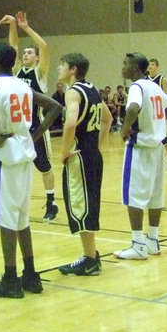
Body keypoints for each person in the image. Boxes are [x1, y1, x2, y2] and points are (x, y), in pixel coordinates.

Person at [0, 43, 62, 298]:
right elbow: (55, 108)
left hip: (6, 159)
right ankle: (31, 275)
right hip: (26, 156)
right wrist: (34, 135)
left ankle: (10, 278)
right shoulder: (24, 86)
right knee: (22, 220)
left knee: (6, 221)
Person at [115, 52, 167, 260]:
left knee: (134, 196)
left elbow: (133, 107)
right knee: (155, 196)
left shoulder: (137, 87)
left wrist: (124, 129)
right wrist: (156, 124)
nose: (122, 67)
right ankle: (153, 240)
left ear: (135, 67)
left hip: (140, 148)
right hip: (157, 148)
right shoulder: (154, 86)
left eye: (125, 64)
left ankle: (138, 244)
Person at [56, 53, 113, 276]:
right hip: (92, 155)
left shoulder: (73, 92)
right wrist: (95, 145)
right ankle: (90, 256)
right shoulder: (92, 89)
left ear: (73, 69)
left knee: (81, 208)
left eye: (62, 65)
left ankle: (90, 260)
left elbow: (70, 123)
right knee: (89, 206)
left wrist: (64, 152)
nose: (58, 68)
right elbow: (107, 120)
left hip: (79, 157)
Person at [0, 11, 59, 221]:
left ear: (35, 58)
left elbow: (43, 46)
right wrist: (13, 25)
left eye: (28, 53)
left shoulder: (39, 73)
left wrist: (26, 28)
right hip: (18, 128)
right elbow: (12, 47)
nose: (25, 55)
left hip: (37, 127)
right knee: (17, 165)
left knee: (44, 166)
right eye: (24, 53)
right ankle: (16, 202)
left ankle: (51, 202)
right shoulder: (16, 71)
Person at [148, 58, 167, 170]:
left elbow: (166, 98)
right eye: (149, 64)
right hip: (149, 113)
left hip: (159, 114)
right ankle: (151, 162)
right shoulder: (145, 80)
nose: (150, 66)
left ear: (157, 67)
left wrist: (165, 114)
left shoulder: (162, 79)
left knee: (165, 137)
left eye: (153, 64)